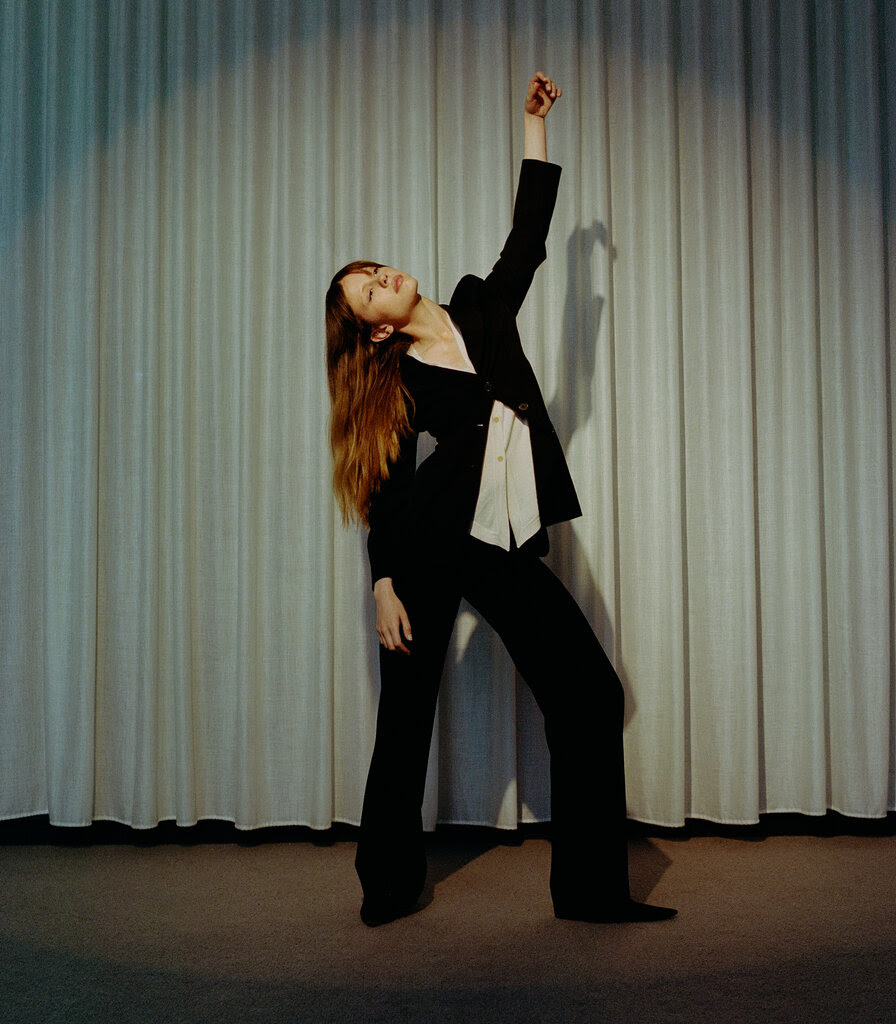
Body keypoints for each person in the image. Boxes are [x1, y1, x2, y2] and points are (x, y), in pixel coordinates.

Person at [325, 72, 675, 926]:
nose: (384, 276)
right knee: (406, 715)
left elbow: (528, 236)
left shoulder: (480, 306)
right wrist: (383, 581)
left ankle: (591, 891)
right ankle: (386, 883)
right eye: (370, 288)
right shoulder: (398, 380)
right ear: (375, 328)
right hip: (428, 545)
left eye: (374, 268)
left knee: (589, 695)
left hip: (499, 539)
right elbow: (385, 489)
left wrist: (532, 127)